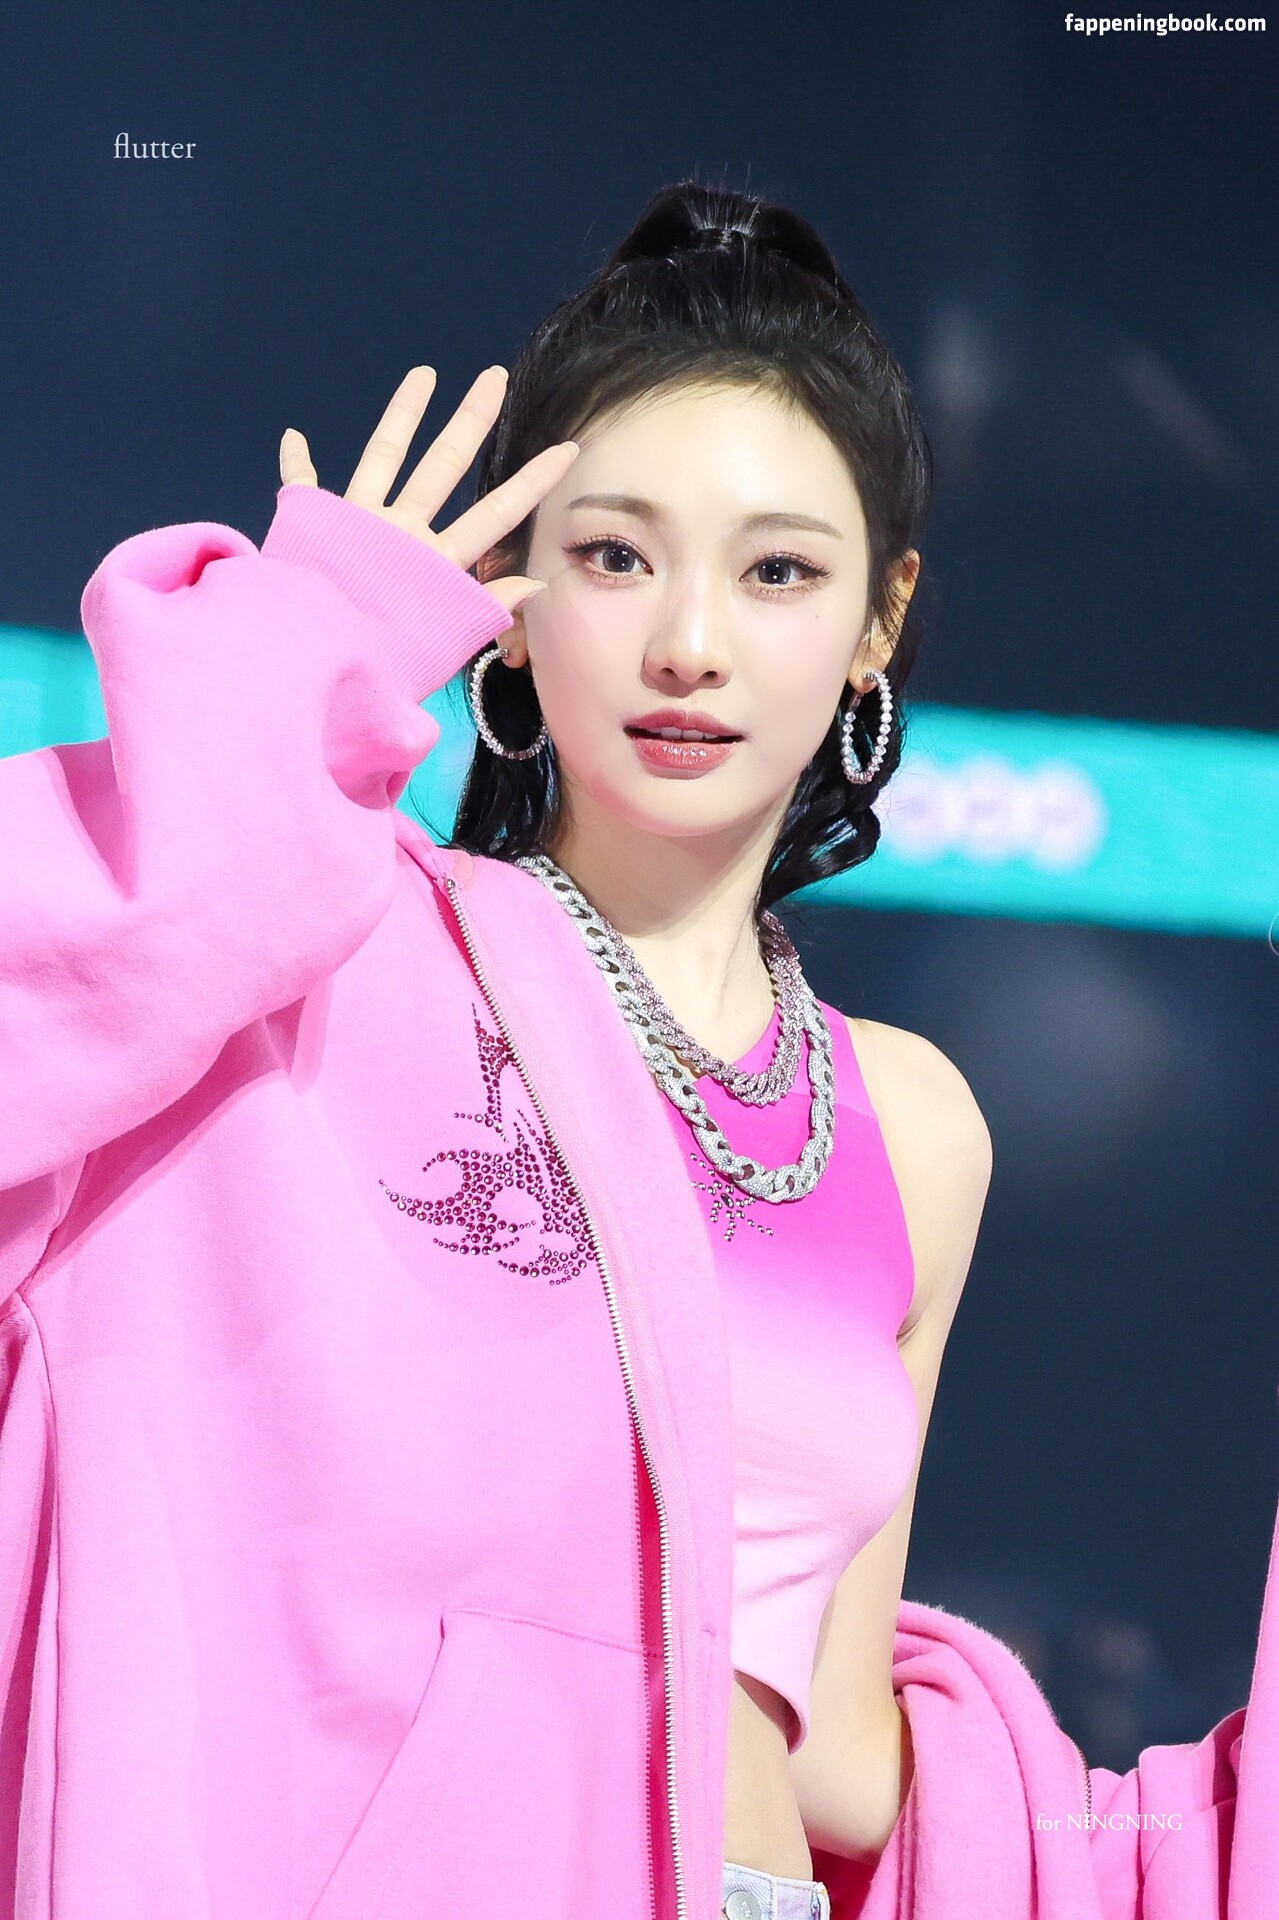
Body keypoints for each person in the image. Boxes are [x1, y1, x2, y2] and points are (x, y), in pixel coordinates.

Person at [18, 176, 1271, 1920]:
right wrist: (300, 667)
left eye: (780, 572)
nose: (690, 643)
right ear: (510, 595)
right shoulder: (332, 966)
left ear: (880, 620)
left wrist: (1148, 1841)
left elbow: (837, 1753)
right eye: (615, 556)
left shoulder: (914, 1125)